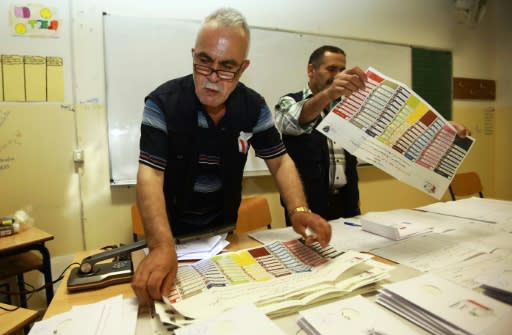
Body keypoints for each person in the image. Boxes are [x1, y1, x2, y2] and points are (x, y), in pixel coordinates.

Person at [131, 8, 331, 308]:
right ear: (193, 55)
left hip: (224, 237)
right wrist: (161, 244)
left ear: (242, 68)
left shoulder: (253, 106)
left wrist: (298, 209)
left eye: (227, 67)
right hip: (171, 239)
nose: (213, 78)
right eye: (204, 62)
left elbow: (279, 161)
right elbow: (151, 173)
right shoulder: (162, 102)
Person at [275, 45, 470, 225]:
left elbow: (397, 128)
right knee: (310, 259)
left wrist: (442, 130)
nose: (338, 75)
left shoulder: (352, 105)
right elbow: (291, 122)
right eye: (331, 69)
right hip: (305, 205)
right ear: (311, 70)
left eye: (342, 70)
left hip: (346, 202)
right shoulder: (289, 101)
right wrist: (329, 94)